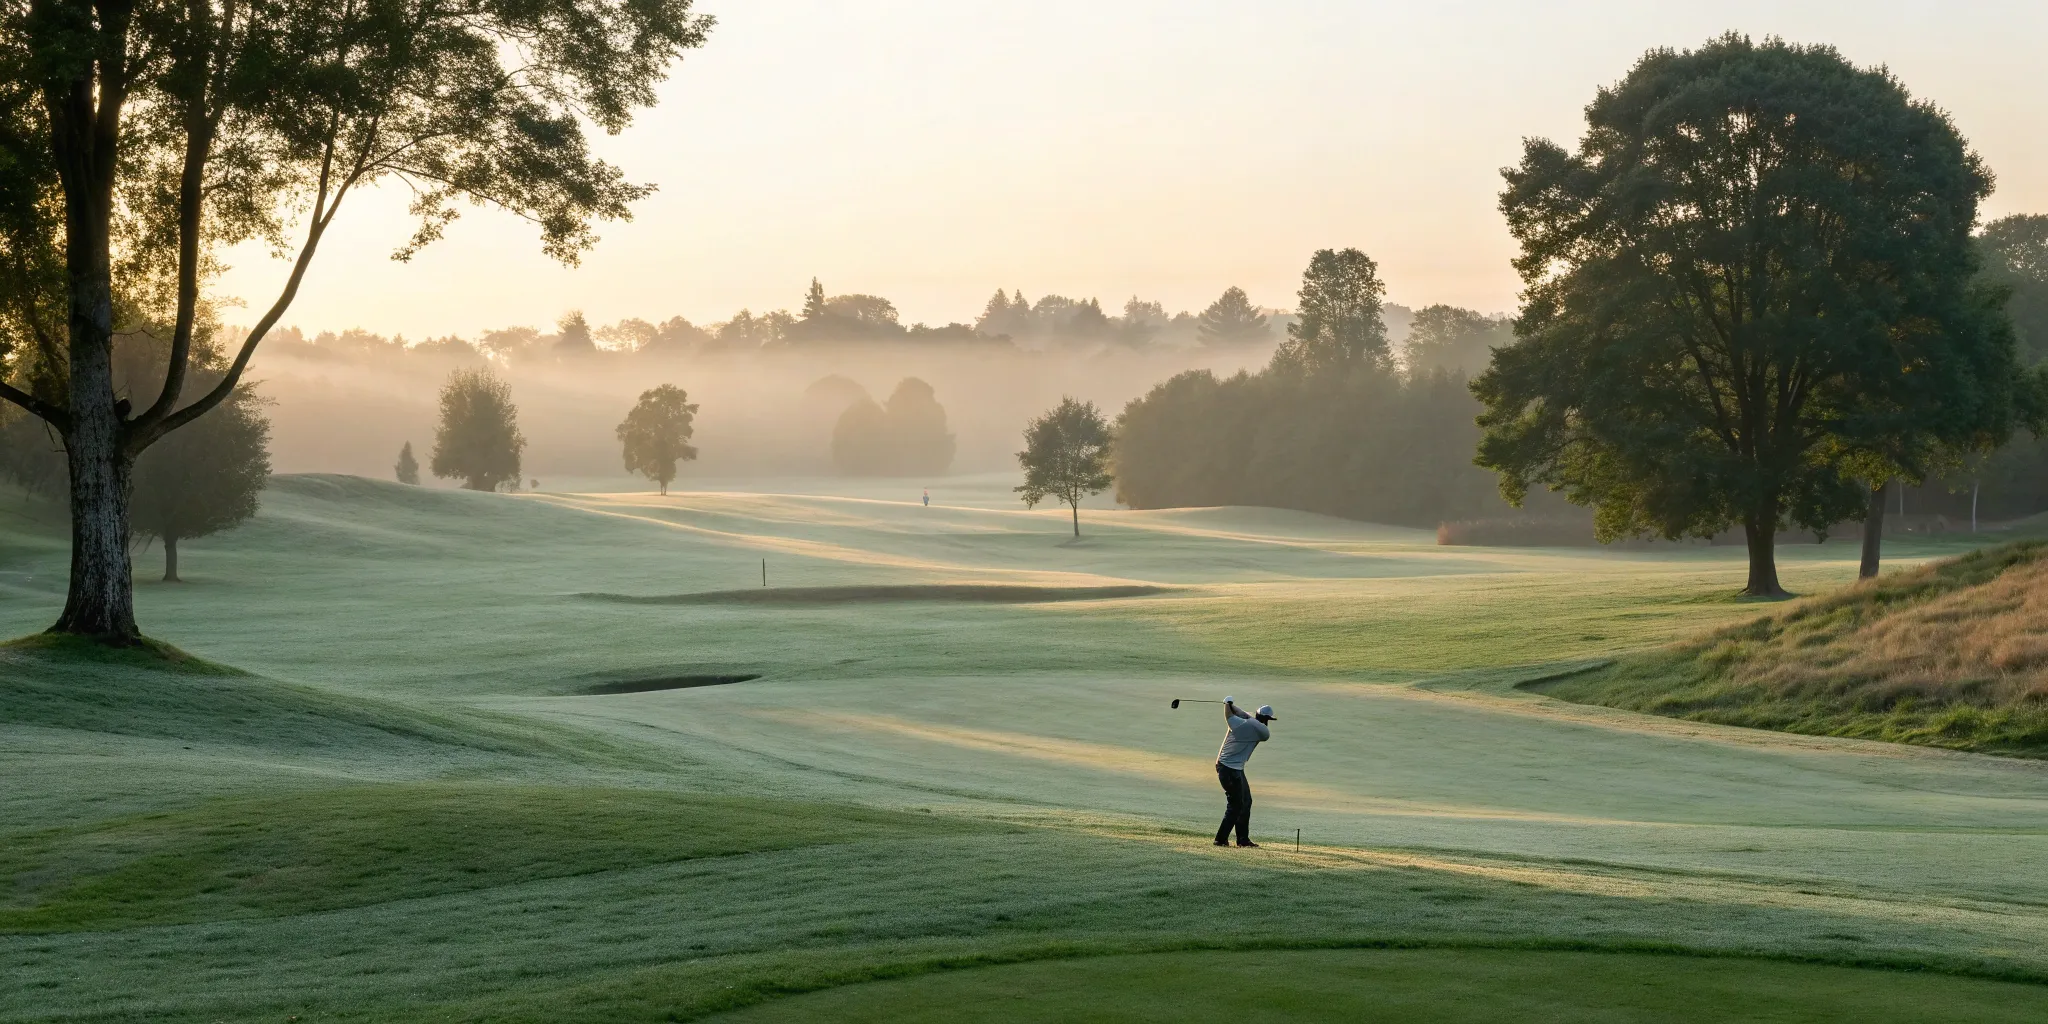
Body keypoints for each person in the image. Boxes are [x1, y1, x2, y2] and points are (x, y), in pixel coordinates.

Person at [1214, 698, 1275, 847]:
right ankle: (1220, 839)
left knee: (1246, 801)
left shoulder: (1244, 725)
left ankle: (1243, 840)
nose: (1267, 723)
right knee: (1235, 804)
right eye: (1267, 720)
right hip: (1228, 768)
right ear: (1265, 719)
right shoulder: (1259, 730)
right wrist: (1230, 706)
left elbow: (1231, 715)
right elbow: (1237, 715)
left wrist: (1228, 704)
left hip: (1235, 768)